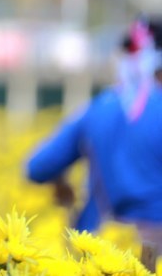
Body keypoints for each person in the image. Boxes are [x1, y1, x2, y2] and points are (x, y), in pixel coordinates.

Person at [27, 17, 162, 268]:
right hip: (155, 247)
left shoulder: (98, 108)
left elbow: (38, 167)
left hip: (97, 247)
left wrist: (60, 183)